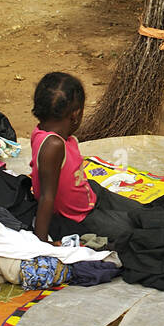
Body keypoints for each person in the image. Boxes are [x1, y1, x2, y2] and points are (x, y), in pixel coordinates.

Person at [30, 72, 96, 244]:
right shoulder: (54, 145)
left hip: (88, 197)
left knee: (137, 212)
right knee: (133, 226)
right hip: (78, 217)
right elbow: (47, 196)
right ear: (75, 114)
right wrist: (43, 243)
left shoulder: (43, 132)